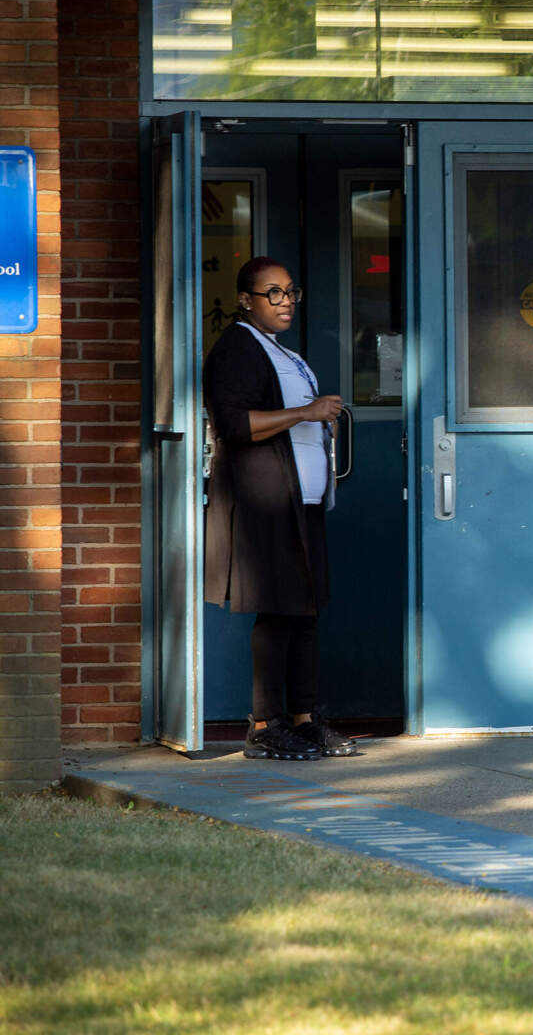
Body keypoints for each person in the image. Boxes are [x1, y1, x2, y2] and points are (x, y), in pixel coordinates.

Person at [204, 256, 355, 761]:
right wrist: (306, 412)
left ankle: (305, 720)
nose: (285, 300)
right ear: (246, 299)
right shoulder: (237, 350)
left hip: (303, 504)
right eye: (273, 293)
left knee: (305, 612)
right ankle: (264, 726)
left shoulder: (280, 353)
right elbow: (234, 424)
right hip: (265, 506)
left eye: (291, 291)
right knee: (277, 614)